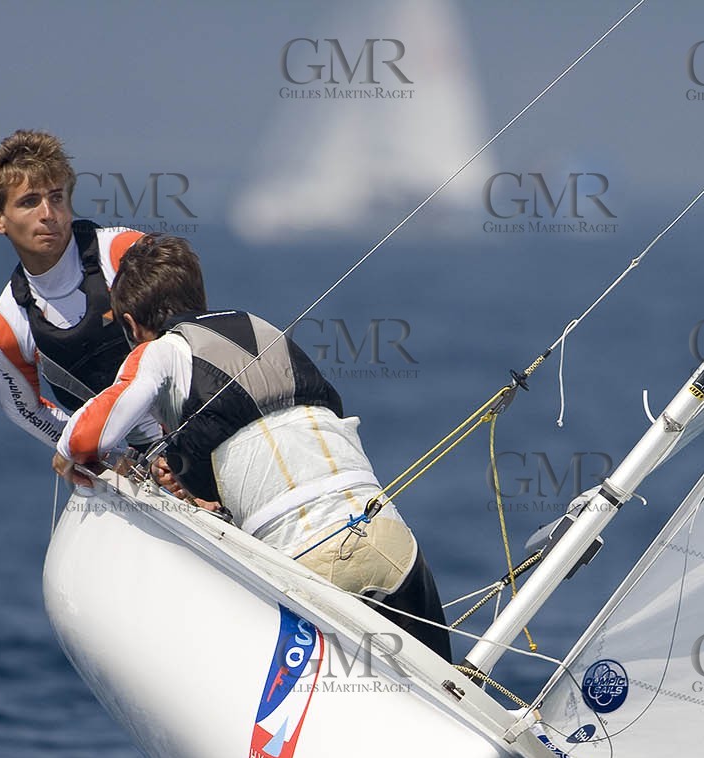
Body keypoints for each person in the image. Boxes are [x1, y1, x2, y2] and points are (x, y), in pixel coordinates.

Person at [52, 234, 452, 661]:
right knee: (447, 684)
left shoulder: (159, 352)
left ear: (131, 326)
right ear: (199, 297)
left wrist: (67, 455)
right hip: (390, 542)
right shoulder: (263, 330)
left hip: (304, 561)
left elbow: (89, 436)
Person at [0, 129, 150, 446]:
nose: (48, 214)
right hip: (146, 461)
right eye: (30, 202)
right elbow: (26, 411)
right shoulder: (7, 329)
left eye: (56, 198)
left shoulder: (125, 253)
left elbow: (190, 341)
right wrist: (96, 455)